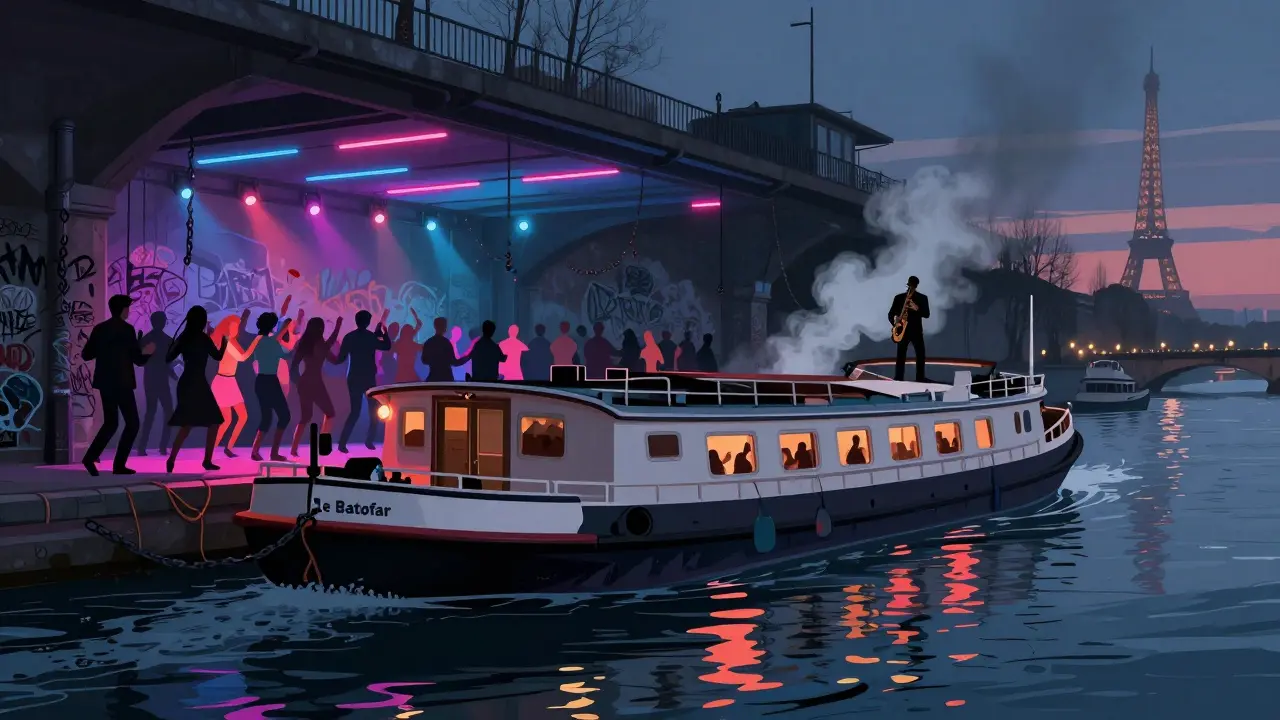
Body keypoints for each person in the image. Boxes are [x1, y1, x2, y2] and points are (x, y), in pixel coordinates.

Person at [81, 294, 155, 476]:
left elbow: (86, 355)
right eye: (128, 308)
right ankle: (118, 465)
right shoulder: (127, 329)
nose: (129, 311)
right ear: (123, 309)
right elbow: (138, 360)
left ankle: (90, 458)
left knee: (111, 423)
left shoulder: (100, 329)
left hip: (105, 382)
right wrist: (147, 352)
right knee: (132, 423)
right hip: (122, 382)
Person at [165, 305, 228, 473]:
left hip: (186, 382)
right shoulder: (204, 339)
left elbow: (168, 358)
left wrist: (172, 345)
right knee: (214, 422)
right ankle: (207, 460)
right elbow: (218, 356)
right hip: (199, 383)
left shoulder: (184, 337)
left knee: (186, 425)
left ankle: (171, 460)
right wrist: (224, 343)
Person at [332, 310, 392, 453]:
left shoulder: (349, 337)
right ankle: (370, 441)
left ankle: (342, 443)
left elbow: (340, 359)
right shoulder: (370, 337)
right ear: (368, 322)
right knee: (373, 409)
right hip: (368, 377)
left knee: (355, 411)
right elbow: (386, 346)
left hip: (353, 377)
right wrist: (385, 333)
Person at [211, 310, 262, 458]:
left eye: (237, 327)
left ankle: (228, 447)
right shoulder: (226, 342)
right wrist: (256, 341)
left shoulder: (233, 341)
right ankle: (212, 449)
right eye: (233, 327)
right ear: (227, 328)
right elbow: (243, 357)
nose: (235, 330)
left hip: (230, 381)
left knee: (242, 416)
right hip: (221, 382)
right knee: (226, 420)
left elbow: (243, 355)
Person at [290, 316, 343, 456]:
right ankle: (323, 446)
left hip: (305, 382)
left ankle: (294, 449)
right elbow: (335, 359)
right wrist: (338, 327)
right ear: (321, 329)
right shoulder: (321, 344)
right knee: (330, 413)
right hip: (316, 383)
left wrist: (298, 382)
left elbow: (293, 366)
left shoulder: (304, 343)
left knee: (305, 417)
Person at [249, 311, 293, 461]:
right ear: (272, 326)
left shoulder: (258, 340)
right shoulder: (272, 341)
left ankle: (255, 451)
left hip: (260, 382)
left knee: (267, 417)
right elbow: (287, 354)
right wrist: (286, 333)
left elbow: (276, 338)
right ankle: (273, 452)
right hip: (270, 381)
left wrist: (282, 331)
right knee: (284, 416)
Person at [137, 310, 176, 457]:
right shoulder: (167, 340)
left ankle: (142, 446)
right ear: (164, 322)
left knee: (150, 412)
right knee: (168, 412)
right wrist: (174, 375)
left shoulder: (146, 339)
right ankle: (163, 446)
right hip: (162, 381)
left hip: (150, 380)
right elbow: (168, 363)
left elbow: (141, 360)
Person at [888, 275, 931, 382]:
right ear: (908, 284)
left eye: (913, 286)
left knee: (920, 355)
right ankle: (898, 379)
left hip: (916, 331)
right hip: (902, 330)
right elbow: (891, 313)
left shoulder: (922, 298)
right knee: (900, 356)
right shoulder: (898, 298)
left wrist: (917, 308)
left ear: (916, 286)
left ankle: (920, 379)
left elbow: (927, 314)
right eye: (910, 285)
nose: (911, 287)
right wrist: (895, 320)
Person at [421, 317, 467, 381]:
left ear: (435, 326)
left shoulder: (428, 342)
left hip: (433, 378)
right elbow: (454, 362)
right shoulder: (446, 343)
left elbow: (424, 360)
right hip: (446, 379)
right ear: (445, 327)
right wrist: (468, 357)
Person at [392, 309, 424, 383]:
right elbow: (419, 325)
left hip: (400, 375)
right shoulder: (413, 345)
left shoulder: (398, 344)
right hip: (410, 374)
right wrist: (415, 316)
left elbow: (417, 327)